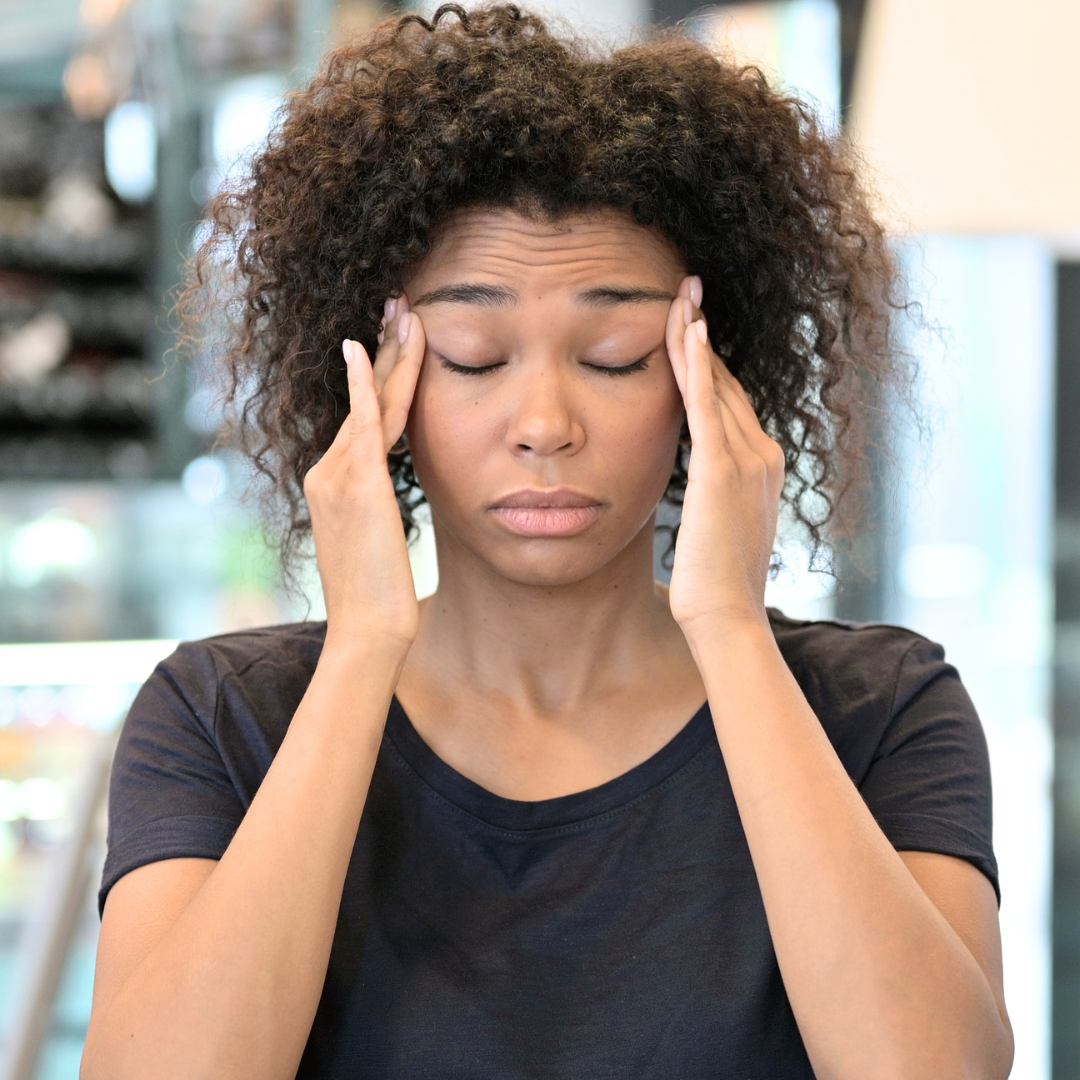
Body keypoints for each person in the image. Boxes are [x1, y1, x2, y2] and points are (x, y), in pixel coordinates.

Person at [81, 6, 1013, 1078]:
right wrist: (361, 648)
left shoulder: (881, 708)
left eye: (615, 355)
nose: (545, 423)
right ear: (373, 386)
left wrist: (730, 630)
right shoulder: (223, 719)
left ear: (714, 382)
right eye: (475, 356)